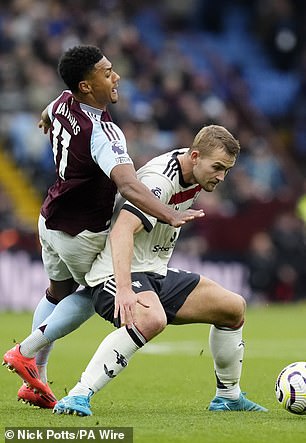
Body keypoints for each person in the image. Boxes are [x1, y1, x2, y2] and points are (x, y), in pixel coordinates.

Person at [2, 45, 203, 409]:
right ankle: (25, 353)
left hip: (50, 220)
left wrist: (48, 118)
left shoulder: (63, 101)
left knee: (56, 294)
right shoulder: (104, 133)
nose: (116, 77)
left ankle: (37, 380)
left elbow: (52, 106)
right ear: (85, 85)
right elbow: (127, 185)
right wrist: (169, 213)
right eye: (107, 72)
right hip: (82, 233)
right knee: (92, 295)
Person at [51, 124, 267, 416]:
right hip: (114, 275)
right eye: (217, 167)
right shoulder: (159, 181)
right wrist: (124, 290)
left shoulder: (195, 172)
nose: (221, 176)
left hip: (153, 272)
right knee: (152, 319)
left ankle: (228, 396)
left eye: (226, 170)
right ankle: (77, 395)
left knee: (232, 307)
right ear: (194, 156)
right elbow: (122, 232)